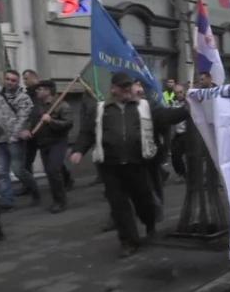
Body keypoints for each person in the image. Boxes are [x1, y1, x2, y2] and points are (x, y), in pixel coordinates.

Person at [70, 72, 189, 257]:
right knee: (119, 206)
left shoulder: (145, 107)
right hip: (110, 167)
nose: (126, 89)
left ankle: (150, 226)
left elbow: (167, 116)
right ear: (113, 89)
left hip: (138, 164)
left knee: (144, 201)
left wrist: (189, 108)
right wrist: (78, 150)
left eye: (129, 86)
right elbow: (87, 132)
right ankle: (129, 241)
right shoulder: (100, 109)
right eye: (122, 86)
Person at [0, 70, 40, 210]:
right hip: (1, 139)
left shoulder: (23, 98)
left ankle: (35, 191)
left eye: (13, 80)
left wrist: (15, 135)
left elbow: (23, 118)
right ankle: (7, 200)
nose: (9, 82)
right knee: (2, 171)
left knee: (18, 170)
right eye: (7, 79)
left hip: (15, 139)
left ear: (18, 82)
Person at [27, 80, 73, 213]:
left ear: (48, 91)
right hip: (43, 143)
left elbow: (68, 124)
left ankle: (60, 201)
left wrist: (51, 121)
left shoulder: (62, 105)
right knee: (50, 172)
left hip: (57, 142)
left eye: (40, 89)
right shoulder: (38, 106)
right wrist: (28, 130)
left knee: (53, 170)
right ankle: (57, 198)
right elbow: (32, 121)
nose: (37, 91)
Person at [170, 83, 188, 182]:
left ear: (184, 92)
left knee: (189, 156)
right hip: (178, 134)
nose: (179, 94)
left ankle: (189, 174)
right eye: (177, 93)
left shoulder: (189, 102)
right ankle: (181, 173)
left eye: (181, 92)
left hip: (187, 133)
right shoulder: (174, 104)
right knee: (175, 155)